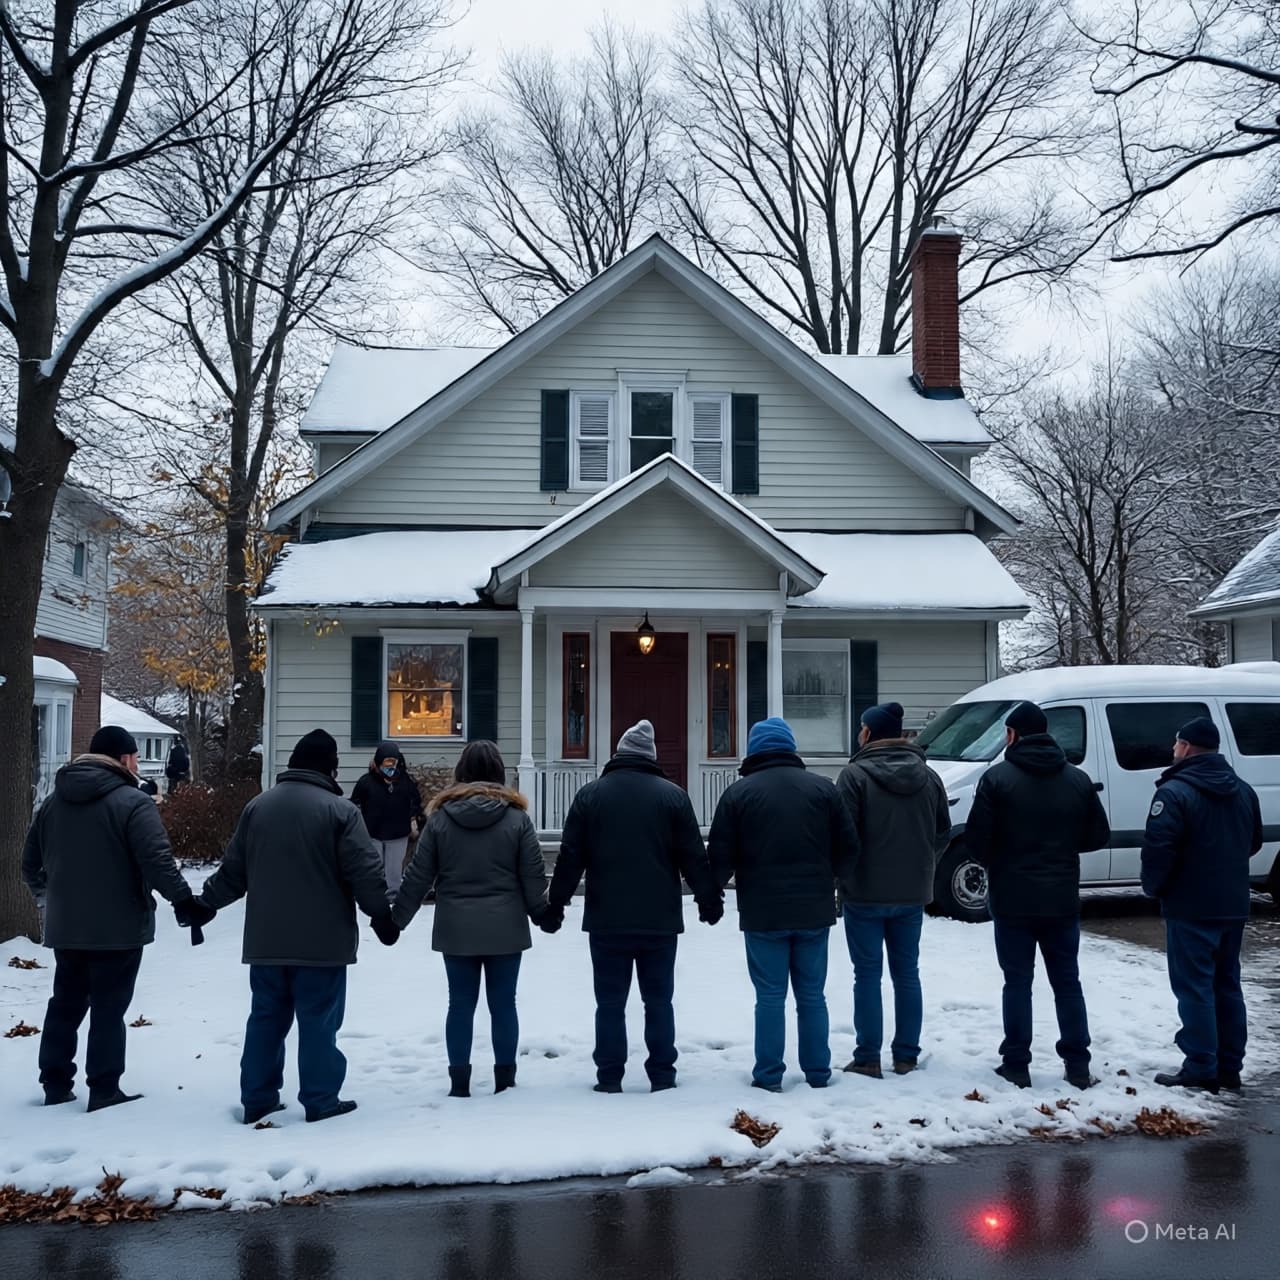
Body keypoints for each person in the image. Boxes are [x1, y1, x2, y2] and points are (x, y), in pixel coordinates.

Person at [194, 728, 400, 1124]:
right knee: (319, 1021)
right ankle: (321, 1099)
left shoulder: (258, 808)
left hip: (266, 939)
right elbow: (365, 873)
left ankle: (257, 1096)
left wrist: (206, 904)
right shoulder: (340, 812)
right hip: (323, 943)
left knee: (265, 1018)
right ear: (331, 767)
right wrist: (380, 915)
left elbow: (234, 872)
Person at [21, 724, 213, 1112]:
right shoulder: (133, 802)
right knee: (109, 1007)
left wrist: (51, 898)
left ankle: (55, 1083)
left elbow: (30, 865)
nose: (139, 764)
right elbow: (156, 861)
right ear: (124, 758)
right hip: (119, 926)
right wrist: (184, 902)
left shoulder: (55, 802)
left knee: (65, 1003)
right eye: (136, 756)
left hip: (67, 926)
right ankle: (104, 1087)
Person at [541, 720, 722, 1094]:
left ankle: (609, 1076)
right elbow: (692, 856)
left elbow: (570, 857)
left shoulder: (591, 796)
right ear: (651, 757)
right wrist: (708, 899)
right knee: (658, 1001)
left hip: (607, 919)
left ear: (618, 754)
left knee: (609, 1003)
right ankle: (662, 1074)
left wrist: (556, 904)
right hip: (660, 919)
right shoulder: (673, 796)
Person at [965, 701, 1110, 1090]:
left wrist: (1005, 853)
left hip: (1012, 897)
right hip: (1061, 897)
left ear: (1011, 735)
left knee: (1017, 982)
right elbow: (1099, 836)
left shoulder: (996, 779)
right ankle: (1077, 1065)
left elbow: (977, 844)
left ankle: (1016, 1063)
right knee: (1068, 982)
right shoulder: (1077, 779)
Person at [708, 717, 858, 1092]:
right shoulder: (823, 790)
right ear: (790, 748)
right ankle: (818, 1073)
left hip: (763, 912)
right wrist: (835, 880)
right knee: (812, 995)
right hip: (814, 909)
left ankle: (769, 1075)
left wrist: (710, 894)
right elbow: (849, 849)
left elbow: (720, 856)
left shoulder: (739, 794)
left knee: (770, 997)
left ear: (754, 750)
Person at [392, 741, 547, 1098]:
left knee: (460, 1004)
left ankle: (459, 1082)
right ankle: (505, 1080)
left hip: (456, 926)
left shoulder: (441, 819)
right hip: (506, 927)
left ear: (460, 772)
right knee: (503, 1004)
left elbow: (418, 876)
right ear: (500, 773)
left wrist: (395, 921)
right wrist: (542, 914)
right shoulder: (517, 819)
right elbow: (534, 877)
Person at [1141, 717, 1262, 1094]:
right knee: (1227, 985)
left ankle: (1200, 1066)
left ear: (1188, 747)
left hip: (1190, 905)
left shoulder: (1175, 793)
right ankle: (1229, 1066)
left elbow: (1160, 849)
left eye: (1177, 743)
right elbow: (1253, 842)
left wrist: (1155, 887)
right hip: (1232, 903)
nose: (1173, 749)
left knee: (1194, 987)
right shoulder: (1243, 790)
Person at [836, 701, 951, 1078]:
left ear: (868, 733)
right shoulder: (929, 777)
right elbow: (942, 833)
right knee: (907, 973)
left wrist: (847, 875)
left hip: (864, 892)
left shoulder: (854, 777)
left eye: (861, 728)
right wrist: (923, 864)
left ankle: (868, 1056)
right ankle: (906, 1055)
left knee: (867, 975)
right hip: (911, 892)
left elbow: (844, 837)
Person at [350, 740, 424, 894]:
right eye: (387, 762)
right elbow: (355, 804)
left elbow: (415, 801)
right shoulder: (366, 782)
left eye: (393, 762)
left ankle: (393, 896)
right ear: (378, 762)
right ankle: (374, 895)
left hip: (398, 833)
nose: (390, 766)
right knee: (374, 867)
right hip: (372, 833)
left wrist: (412, 819)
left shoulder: (405, 781)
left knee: (394, 869)